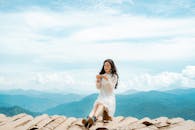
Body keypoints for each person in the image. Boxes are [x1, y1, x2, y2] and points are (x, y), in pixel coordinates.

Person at [82, 59, 119, 128]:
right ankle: (89, 118)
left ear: (111, 66)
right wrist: (98, 81)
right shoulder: (102, 75)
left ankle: (93, 118)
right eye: (104, 65)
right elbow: (98, 87)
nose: (106, 67)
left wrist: (107, 79)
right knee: (96, 105)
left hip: (109, 99)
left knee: (101, 104)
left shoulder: (114, 76)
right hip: (102, 97)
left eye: (108, 65)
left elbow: (111, 88)